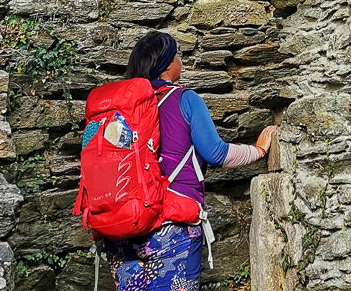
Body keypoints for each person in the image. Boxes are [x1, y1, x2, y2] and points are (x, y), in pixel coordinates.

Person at [105, 31, 276, 291]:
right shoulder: (185, 99)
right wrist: (259, 150)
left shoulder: (118, 109)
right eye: (177, 55)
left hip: (121, 228)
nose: (180, 61)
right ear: (166, 65)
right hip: (171, 227)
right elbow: (217, 154)